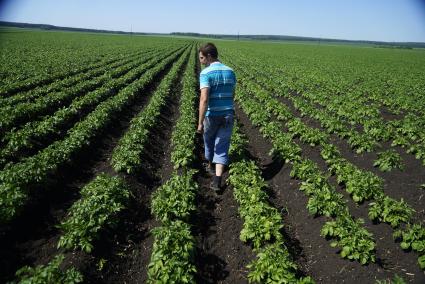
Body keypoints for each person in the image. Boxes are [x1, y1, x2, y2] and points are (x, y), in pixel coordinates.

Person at [197, 43, 236, 192]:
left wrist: (200, 123)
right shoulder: (230, 71)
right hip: (227, 114)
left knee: (209, 141)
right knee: (222, 146)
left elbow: (204, 99)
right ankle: (217, 180)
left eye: (201, 57)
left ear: (209, 56)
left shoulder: (206, 73)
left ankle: (210, 166)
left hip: (212, 115)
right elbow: (232, 94)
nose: (200, 61)